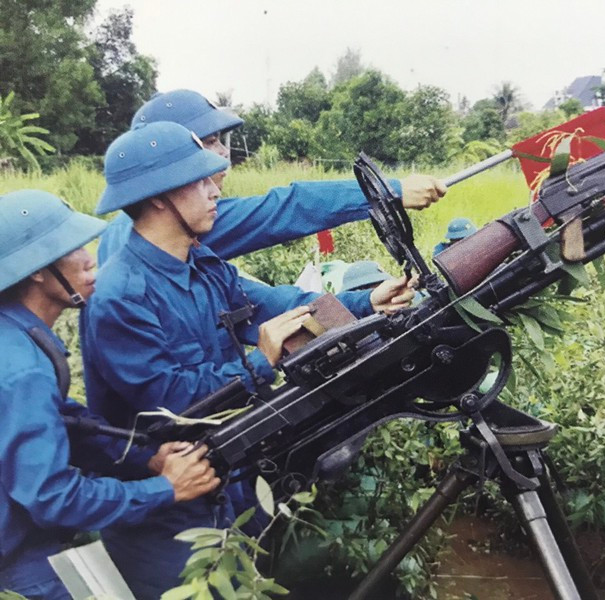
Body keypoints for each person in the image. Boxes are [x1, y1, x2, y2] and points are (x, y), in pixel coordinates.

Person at [80, 121, 419, 598]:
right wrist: (261, 360)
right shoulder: (121, 295)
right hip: (166, 509)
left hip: (229, 478)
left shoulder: (202, 264)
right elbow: (170, 406)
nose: (214, 189)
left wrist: (366, 304)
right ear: (159, 197)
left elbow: (268, 308)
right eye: (199, 181)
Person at [0, 190, 220, 599]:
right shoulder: (21, 369)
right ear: (34, 270)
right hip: (17, 558)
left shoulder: (20, 338)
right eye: (70, 249)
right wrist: (165, 489)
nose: (89, 258)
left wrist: (145, 456)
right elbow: (52, 498)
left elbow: (68, 423)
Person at [98, 88, 448, 266]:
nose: (222, 152)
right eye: (208, 142)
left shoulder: (130, 227)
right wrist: (390, 190)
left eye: (220, 141)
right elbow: (285, 208)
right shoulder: (174, 223)